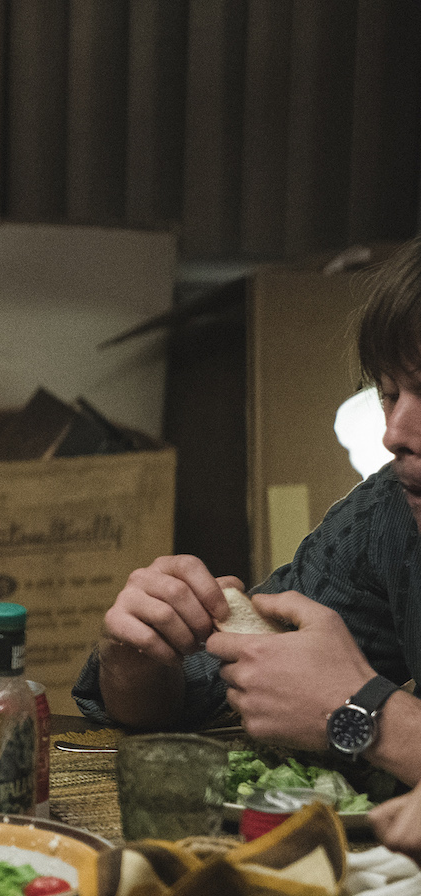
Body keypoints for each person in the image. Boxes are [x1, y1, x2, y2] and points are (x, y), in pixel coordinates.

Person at [73, 238, 421, 845]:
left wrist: (366, 714)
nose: (395, 434)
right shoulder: (388, 517)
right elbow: (204, 690)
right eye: (390, 394)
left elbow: (343, 704)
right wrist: (139, 652)